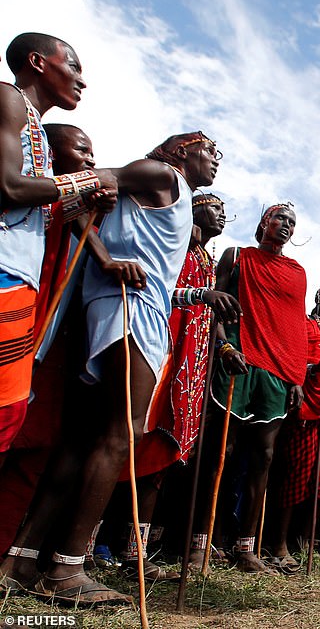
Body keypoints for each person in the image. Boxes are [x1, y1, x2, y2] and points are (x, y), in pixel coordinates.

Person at [2, 131, 218, 604]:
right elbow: (84, 187)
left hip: (121, 303)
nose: (216, 160)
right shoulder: (161, 174)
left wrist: (106, 256)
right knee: (121, 435)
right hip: (128, 308)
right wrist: (107, 260)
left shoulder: (165, 194)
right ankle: (67, 570)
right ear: (182, 150)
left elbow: (84, 212)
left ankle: (20, 558)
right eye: (210, 151)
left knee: (81, 438)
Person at [0, 33, 115, 462]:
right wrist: (88, 181)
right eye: (74, 66)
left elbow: (37, 210)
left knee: (8, 415)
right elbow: (8, 187)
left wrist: (76, 200)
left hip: (21, 281)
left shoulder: (38, 135)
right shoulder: (8, 99)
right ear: (38, 62)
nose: (81, 80)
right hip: (3, 271)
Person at [122, 192, 239, 579]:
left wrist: (223, 346)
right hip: (163, 344)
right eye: (214, 206)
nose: (221, 214)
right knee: (137, 437)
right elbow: (151, 284)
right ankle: (104, 547)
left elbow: (213, 312)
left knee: (168, 447)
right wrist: (199, 295)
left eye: (224, 210)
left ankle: (140, 551)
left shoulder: (208, 259)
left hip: (195, 360)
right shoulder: (174, 244)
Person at [203, 203, 306, 573]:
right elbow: (211, 308)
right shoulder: (235, 256)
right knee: (222, 451)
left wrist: (296, 376)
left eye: (292, 223)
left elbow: (294, 323)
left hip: (277, 369)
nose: (287, 226)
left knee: (263, 457)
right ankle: (200, 542)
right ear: (265, 222)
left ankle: (246, 548)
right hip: (237, 357)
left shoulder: (296, 271)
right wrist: (224, 345)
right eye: (281, 219)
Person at [268, 283, 320, 573]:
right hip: (308, 403)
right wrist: (314, 367)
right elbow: (293, 355)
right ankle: (278, 544)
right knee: (297, 473)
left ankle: (305, 541)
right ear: (317, 297)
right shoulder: (306, 323)